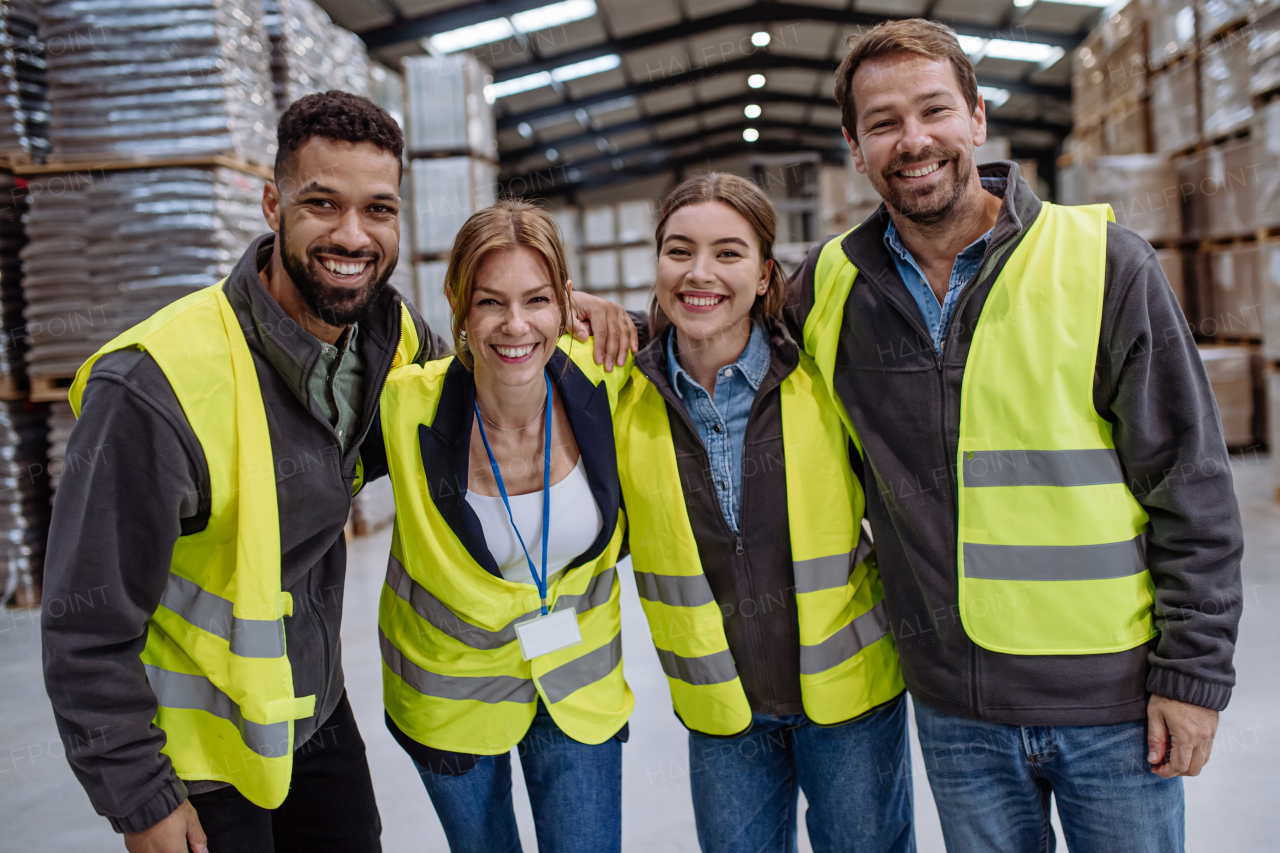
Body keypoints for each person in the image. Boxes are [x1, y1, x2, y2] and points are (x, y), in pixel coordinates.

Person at [41, 91, 635, 853]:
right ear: (271, 204)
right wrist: (141, 797)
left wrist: (554, 302)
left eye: (378, 209)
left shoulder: (388, 343)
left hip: (315, 718)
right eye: (322, 203)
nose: (352, 234)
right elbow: (82, 625)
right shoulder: (157, 387)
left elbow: (484, 367)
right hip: (200, 762)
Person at [787, 19, 1245, 853]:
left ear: (977, 119)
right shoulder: (830, 285)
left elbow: (1193, 484)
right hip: (957, 711)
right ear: (855, 147)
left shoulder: (1104, 262)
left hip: (1114, 704)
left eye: (934, 111)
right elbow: (714, 339)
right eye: (883, 123)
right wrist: (596, 317)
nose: (913, 140)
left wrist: (1194, 675)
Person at [613, 173, 912, 853]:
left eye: (728, 252)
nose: (700, 273)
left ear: (765, 272)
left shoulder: (820, 376)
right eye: (678, 250)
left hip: (849, 703)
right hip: (723, 713)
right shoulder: (625, 396)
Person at [358, 199, 634, 853]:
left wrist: (592, 307)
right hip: (451, 698)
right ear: (457, 301)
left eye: (536, 299)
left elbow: (707, 324)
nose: (515, 325)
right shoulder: (403, 408)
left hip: (578, 685)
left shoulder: (608, 379)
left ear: (565, 303)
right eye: (490, 302)